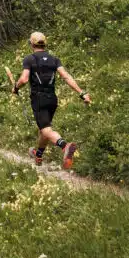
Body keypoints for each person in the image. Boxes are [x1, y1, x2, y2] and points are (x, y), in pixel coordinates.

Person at [12, 31, 90, 169]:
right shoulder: (54, 59)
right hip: (52, 99)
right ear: (45, 44)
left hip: (39, 99)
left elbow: (24, 79)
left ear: (31, 44)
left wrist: (16, 87)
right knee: (44, 129)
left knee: (46, 129)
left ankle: (64, 146)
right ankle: (38, 154)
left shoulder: (29, 59)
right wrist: (82, 93)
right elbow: (66, 77)